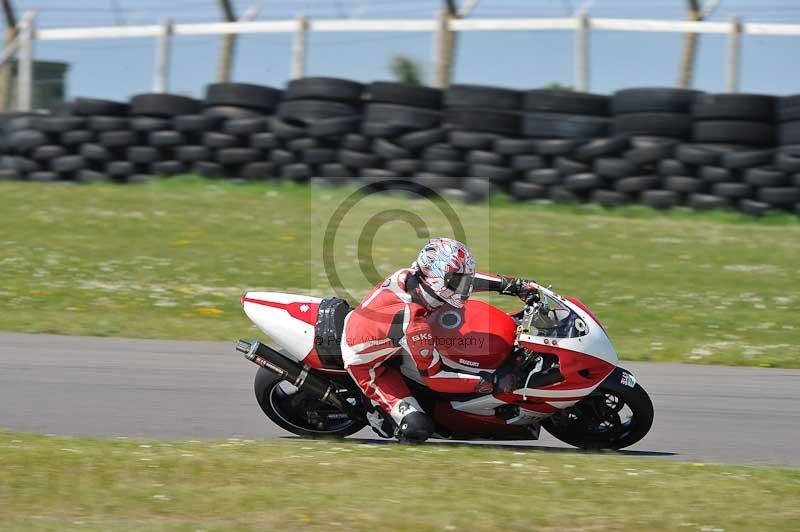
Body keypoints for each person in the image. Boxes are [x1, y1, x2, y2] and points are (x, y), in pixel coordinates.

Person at [341, 237, 538, 442]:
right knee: (418, 428)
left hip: (386, 336)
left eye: (462, 278)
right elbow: (435, 378)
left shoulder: (413, 276)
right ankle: (372, 409)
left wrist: (513, 285)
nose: (464, 286)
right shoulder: (413, 322)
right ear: (435, 277)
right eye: (456, 280)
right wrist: (488, 383)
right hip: (368, 365)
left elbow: (465, 279)